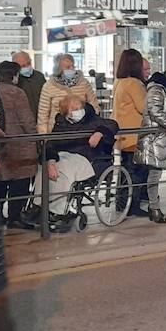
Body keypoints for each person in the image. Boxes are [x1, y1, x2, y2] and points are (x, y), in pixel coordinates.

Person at [43, 96, 120, 231]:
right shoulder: (61, 124)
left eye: (80, 108)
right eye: (74, 109)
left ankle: (60, 211)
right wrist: (51, 161)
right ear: (66, 113)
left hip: (87, 158)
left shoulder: (91, 120)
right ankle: (39, 206)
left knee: (66, 169)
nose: (79, 111)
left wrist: (100, 132)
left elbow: (112, 124)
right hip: (63, 156)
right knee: (44, 168)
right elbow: (51, 144)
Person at [0, 61, 39, 228]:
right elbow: (26, 120)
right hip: (19, 145)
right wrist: (36, 137)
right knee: (20, 182)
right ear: (14, 75)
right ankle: (15, 217)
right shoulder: (17, 93)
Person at [134, 70, 166, 224]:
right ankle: (154, 208)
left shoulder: (160, 90)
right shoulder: (156, 90)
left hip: (159, 139)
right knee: (153, 175)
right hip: (154, 139)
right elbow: (155, 112)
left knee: (154, 175)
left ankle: (153, 207)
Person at [113, 49, 151, 218]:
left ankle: (122, 203)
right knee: (136, 172)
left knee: (125, 171)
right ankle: (132, 205)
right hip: (134, 135)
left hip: (122, 133)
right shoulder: (134, 84)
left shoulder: (120, 82)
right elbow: (144, 107)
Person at [36, 53, 95, 134]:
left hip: (83, 128)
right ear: (59, 69)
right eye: (67, 67)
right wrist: (43, 135)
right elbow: (43, 114)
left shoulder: (84, 83)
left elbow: (94, 104)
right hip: (57, 130)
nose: (71, 69)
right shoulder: (49, 86)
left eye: (73, 66)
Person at [12, 51, 46, 118]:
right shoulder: (14, 80)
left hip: (40, 116)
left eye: (28, 63)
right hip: (23, 119)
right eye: (23, 66)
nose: (27, 67)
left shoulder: (39, 76)